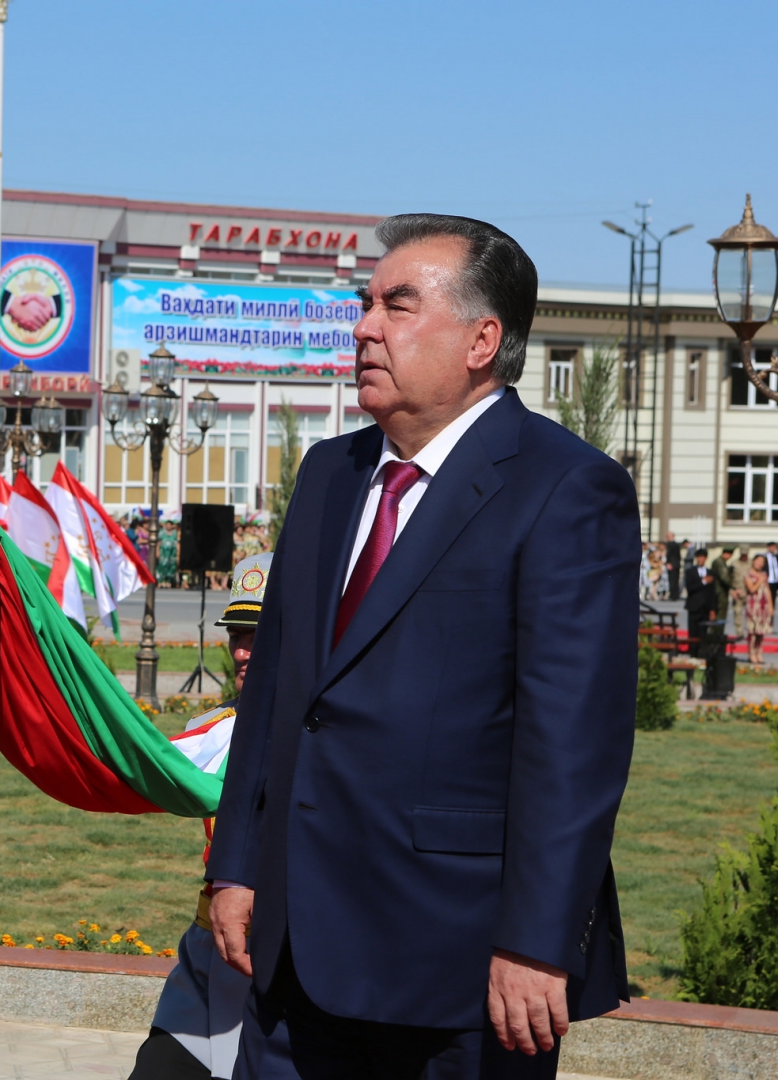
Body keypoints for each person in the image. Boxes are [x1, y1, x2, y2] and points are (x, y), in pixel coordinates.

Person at [206, 214, 637, 1078]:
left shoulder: (563, 489)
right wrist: (236, 865)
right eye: (365, 304)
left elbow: (571, 745)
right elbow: (278, 697)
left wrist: (537, 942)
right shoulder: (329, 474)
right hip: (292, 948)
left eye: (396, 306)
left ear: (482, 339)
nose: (363, 326)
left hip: (458, 962)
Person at [130, 553, 291, 1080]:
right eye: (236, 635)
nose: (243, 651)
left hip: (292, 976)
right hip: (208, 965)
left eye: (258, 634)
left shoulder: (344, 741)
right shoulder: (217, 729)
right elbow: (133, 764)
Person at [745, 554, 773, 667]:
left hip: (763, 606)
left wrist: (770, 606)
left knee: (761, 632)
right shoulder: (748, 575)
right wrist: (760, 580)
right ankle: (751, 653)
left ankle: (759, 652)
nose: (760, 563)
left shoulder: (764, 574)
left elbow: (768, 591)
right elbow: (751, 589)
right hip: (753, 606)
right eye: (758, 561)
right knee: (753, 632)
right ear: (753, 561)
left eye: (762, 562)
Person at [664, 532, 682, 601]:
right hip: (676, 564)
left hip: (672, 564)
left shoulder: (671, 545)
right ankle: (675, 595)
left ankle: (673, 595)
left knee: (672, 580)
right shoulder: (677, 545)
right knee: (675, 580)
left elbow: (670, 555)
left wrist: (669, 563)